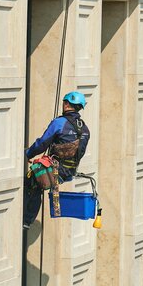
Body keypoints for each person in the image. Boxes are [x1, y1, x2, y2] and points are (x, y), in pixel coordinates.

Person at [23, 91, 91, 228]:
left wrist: (27, 154)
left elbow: (42, 143)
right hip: (69, 171)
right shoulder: (85, 129)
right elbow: (80, 152)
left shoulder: (59, 123)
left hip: (56, 168)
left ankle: (26, 220)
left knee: (32, 183)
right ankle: (27, 220)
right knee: (37, 183)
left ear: (66, 105)